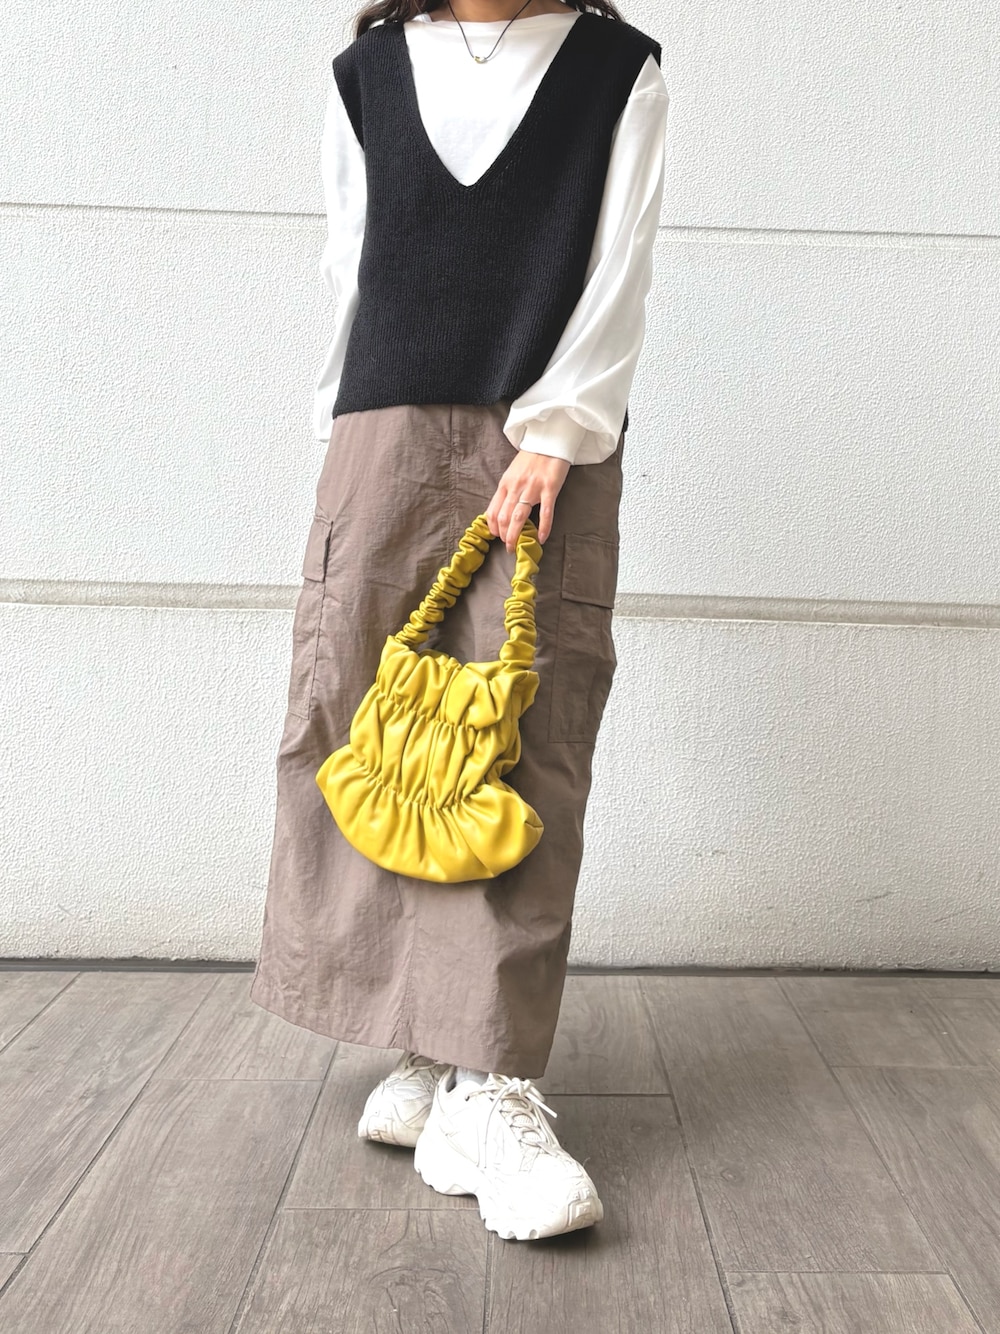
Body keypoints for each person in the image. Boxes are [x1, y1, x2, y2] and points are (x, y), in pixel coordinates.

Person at [249, 0, 668, 1241]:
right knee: (374, 730)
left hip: (541, 439)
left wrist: (558, 432)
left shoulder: (615, 70)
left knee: (520, 747)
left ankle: (492, 1081)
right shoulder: (367, 72)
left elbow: (618, 269)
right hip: (380, 429)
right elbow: (352, 259)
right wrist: (343, 446)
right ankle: (427, 1045)